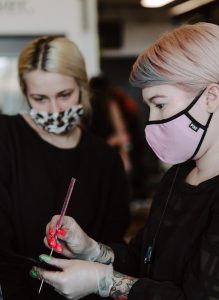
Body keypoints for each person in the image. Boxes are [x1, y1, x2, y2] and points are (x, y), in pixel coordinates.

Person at [30, 23, 219, 299]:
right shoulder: (180, 176)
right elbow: (144, 258)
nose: (153, 121)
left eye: (160, 104)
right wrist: (92, 250)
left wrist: (105, 282)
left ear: (211, 96)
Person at [0, 36, 130, 300]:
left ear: (82, 87)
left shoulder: (105, 159)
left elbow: (115, 248)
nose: (55, 109)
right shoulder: (5, 138)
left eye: (64, 95)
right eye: (39, 98)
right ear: (25, 93)